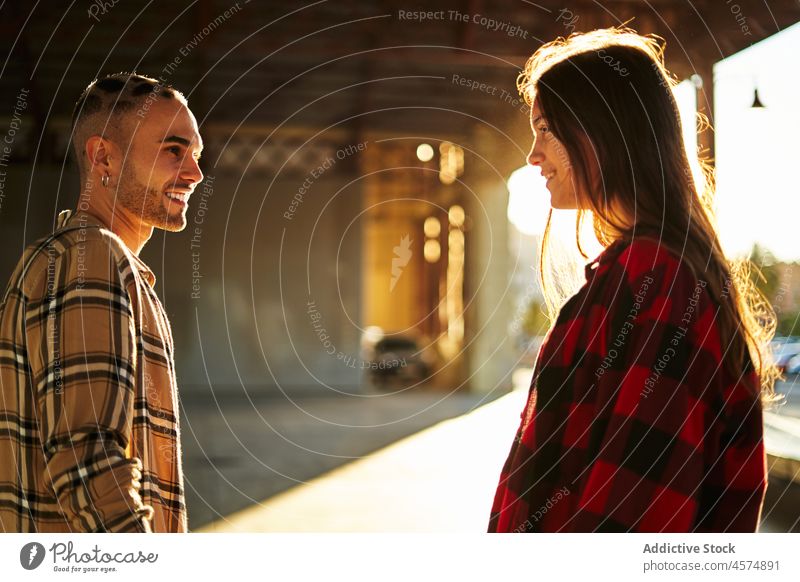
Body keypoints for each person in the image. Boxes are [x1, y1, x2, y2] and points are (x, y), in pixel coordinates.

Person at [489, 28, 779, 532]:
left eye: (545, 129)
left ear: (601, 132)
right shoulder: (648, 274)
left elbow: (630, 518)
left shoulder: (657, 282)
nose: (532, 156)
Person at [0, 73, 204, 532]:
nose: (194, 173)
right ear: (103, 156)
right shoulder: (91, 259)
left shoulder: (80, 260)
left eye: (195, 154)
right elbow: (88, 464)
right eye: (174, 150)